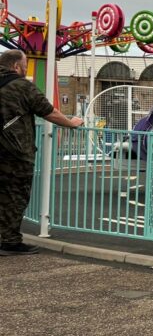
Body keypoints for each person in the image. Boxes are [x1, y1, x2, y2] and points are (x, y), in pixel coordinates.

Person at [0, 49, 84, 255]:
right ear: (16, 66)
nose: (26, 68)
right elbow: (48, 111)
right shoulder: (21, 86)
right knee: (15, 196)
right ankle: (10, 241)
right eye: (25, 65)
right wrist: (71, 123)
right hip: (14, 152)